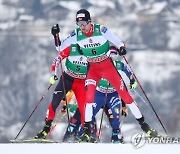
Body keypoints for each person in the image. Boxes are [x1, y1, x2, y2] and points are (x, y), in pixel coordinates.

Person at [51, 9, 158, 142]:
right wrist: (56, 36)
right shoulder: (77, 34)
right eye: (79, 24)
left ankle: (145, 126)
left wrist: (121, 48)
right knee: (89, 98)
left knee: (126, 96)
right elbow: (60, 48)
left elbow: (118, 42)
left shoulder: (101, 30)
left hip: (108, 68)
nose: (82, 27)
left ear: (90, 21)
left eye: (84, 23)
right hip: (93, 70)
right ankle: (86, 131)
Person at [34, 43, 88, 139]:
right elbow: (56, 60)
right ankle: (46, 129)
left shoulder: (91, 52)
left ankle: (86, 133)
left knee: (83, 108)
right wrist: (53, 74)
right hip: (66, 80)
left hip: (81, 83)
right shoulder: (72, 48)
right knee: (55, 102)